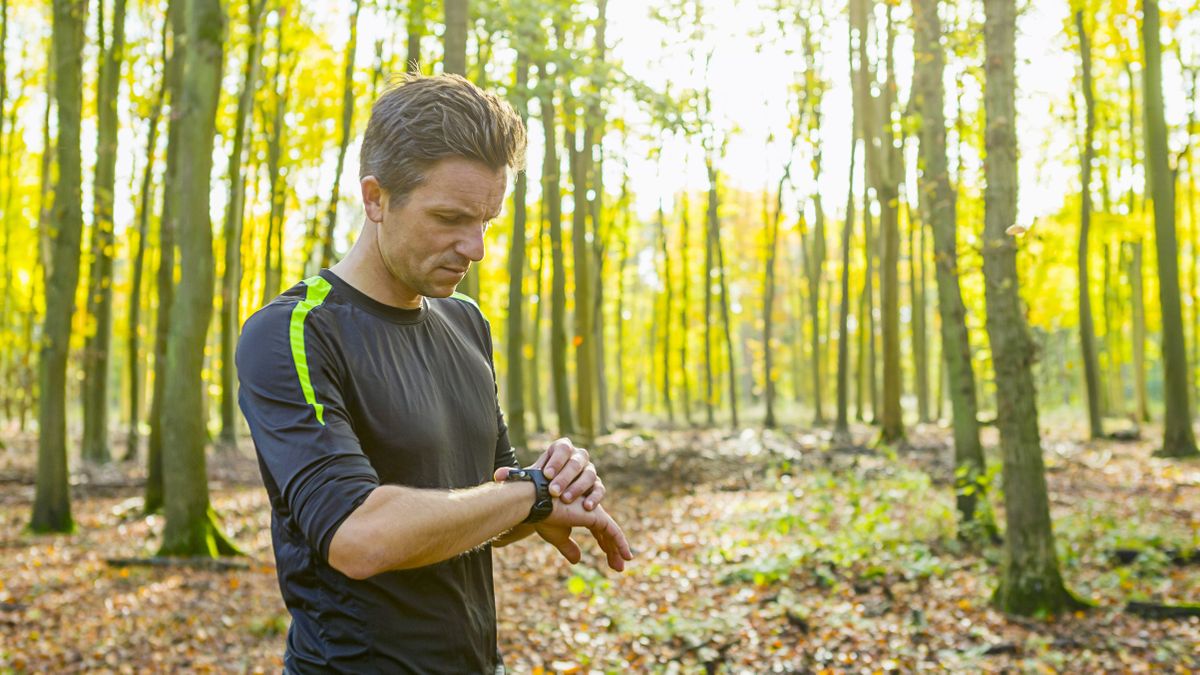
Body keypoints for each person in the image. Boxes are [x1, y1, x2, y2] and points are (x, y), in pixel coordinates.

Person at [236, 73, 633, 674]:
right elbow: (358, 538)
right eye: (450, 218)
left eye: (487, 221)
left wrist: (547, 491)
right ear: (376, 198)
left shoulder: (466, 322)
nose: (474, 248)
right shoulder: (294, 331)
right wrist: (531, 494)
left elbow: (485, 504)